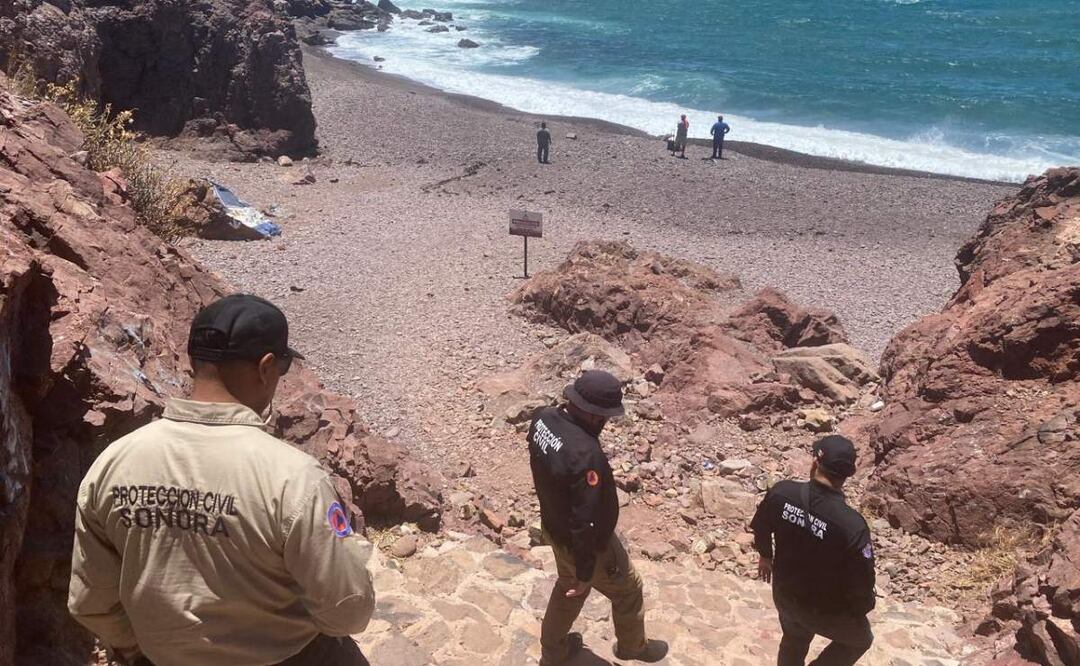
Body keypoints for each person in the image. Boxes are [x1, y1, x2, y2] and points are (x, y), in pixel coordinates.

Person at [68, 294, 375, 666]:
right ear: (266, 367)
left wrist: (143, 650)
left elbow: (90, 603)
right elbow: (347, 613)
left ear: (193, 362)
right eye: (282, 368)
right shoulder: (293, 479)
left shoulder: (114, 463)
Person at [528, 370, 668, 665]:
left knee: (569, 588)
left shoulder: (543, 418)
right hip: (584, 542)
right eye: (605, 416)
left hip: (553, 525)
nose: (606, 422)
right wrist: (585, 570)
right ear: (594, 414)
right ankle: (633, 647)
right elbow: (586, 519)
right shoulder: (586, 454)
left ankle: (553, 651)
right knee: (628, 588)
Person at [750, 435, 876, 666]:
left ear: (815, 463)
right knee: (861, 640)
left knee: (794, 639)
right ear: (848, 475)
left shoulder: (782, 492)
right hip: (825, 609)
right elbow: (862, 580)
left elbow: (761, 526)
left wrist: (765, 555)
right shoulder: (852, 525)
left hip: (785, 593)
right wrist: (862, 608)